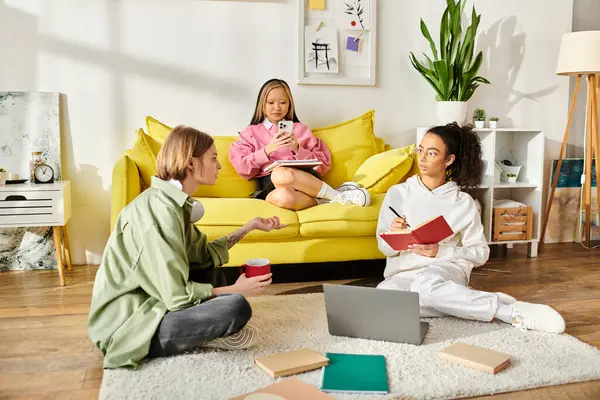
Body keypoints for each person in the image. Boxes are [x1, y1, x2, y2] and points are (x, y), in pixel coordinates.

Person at [88, 126, 286, 370]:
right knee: (236, 306)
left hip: (157, 298)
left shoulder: (174, 204)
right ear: (191, 164)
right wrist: (237, 290)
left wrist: (249, 226)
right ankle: (206, 335)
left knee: (214, 272)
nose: (219, 166)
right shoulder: (159, 214)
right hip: (131, 322)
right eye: (213, 158)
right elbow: (177, 297)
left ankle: (208, 330)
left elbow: (205, 256)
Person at [376, 122, 565, 333]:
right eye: (420, 150)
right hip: (403, 273)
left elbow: (481, 253)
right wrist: (394, 234)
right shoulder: (397, 194)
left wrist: (441, 250)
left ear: (449, 160)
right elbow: (384, 248)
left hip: (444, 269)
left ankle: (508, 312)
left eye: (431, 153)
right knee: (385, 299)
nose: (421, 158)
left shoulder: (463, 202)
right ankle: (473, 301)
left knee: (425, 288)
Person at [229, 78, 370, 210]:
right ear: (262, 105)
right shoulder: (251, 132)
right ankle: (332, 197)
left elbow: (322, 164)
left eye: (283, 102)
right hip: (271, 186)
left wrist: (297, 149)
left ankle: (338, 196)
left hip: (305, 180)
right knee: (283, 196)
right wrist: (267, 150)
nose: (277, 108)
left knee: (282, 173)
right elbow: (242, 167)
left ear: (290, 104)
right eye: (271, 103)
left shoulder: (300, 130)